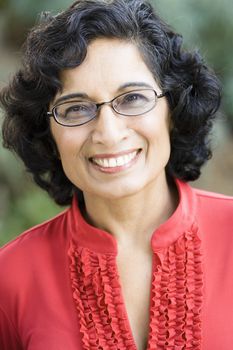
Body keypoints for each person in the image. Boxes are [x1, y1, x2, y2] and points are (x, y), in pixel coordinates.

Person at [0, 0, 233, 349]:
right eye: (76, 107)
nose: (108, 133)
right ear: (47, 130)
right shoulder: (11, 275)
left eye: (133, 98)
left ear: (173, 108)